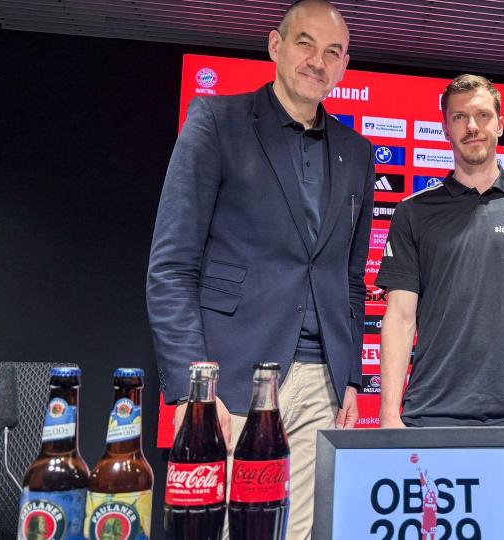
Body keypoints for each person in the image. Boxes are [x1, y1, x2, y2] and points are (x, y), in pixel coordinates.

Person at [145, 1, 374, 537]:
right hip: (231, 380)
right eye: (305, 43)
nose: (318, 61)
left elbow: (349, 279)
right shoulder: (216, 122)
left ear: (344, 67)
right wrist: (189, 390)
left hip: (323, 385)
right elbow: (172, 266)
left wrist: (353, 380)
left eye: (333, 52)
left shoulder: (357, 152)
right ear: (275, 45)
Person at [376, 74, 504, 538]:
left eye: (482, 115)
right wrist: (390, 415)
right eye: (460, 117)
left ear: (501, 124)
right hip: (433, 412)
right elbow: (400, 316)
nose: (472, 126)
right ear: (446, 127)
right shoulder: (414, 211)